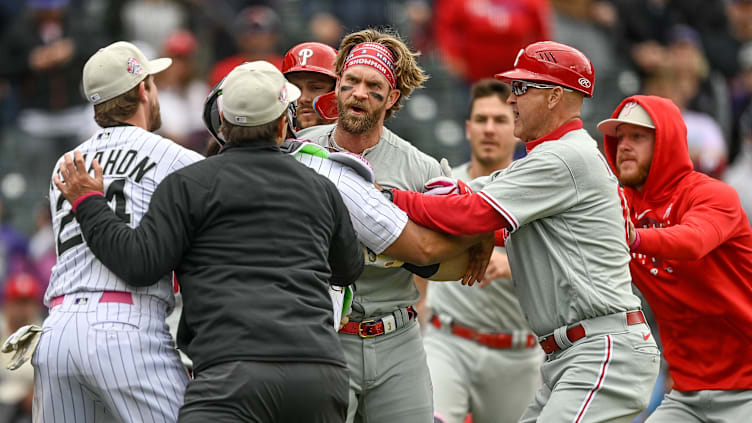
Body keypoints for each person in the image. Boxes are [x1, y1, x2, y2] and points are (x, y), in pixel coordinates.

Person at [54, 61, 365, 422]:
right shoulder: (321, 188)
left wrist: (88, 203)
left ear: (221, 121)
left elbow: (139, 264)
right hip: (318, 375)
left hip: (231, 377)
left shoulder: (188, 184)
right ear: (284, 125)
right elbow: (348, 269)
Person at [384, 41, 661, 422]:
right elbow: (475, 211)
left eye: (521, 88)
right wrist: (482, 232)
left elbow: (467, 213)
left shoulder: (564, 156)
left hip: (600, 348)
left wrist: (385, 196)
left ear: (554, 97)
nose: (511, 99)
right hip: (572, 352)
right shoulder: (553, 155)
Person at [32, 41, 204, 423]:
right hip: (125, 326)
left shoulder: (66, 163)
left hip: (56, 330)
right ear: (143, 89)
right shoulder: (177, 158)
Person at [296, 28, 443, 422]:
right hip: (323, 336)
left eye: (373, 85)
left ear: (392, 97)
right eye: (352, 82)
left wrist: (473, 244)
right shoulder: (299, 150)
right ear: (339, 84)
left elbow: (446, 261)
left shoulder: (421, 168)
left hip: (396, 337)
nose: (359, 92)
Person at [599, 95, 752, 423]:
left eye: (637, 136)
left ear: (666, 142)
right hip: (686, 395)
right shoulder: (616, 206)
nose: (623, 145)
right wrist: (487, 239)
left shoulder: (712, 194)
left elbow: (694, 240)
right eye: (619, 137)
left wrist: (635, 238)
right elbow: (562, 238)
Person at [417, 79, 541, 423]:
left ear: (516, 128)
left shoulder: (537, 193)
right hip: (448, 340)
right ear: (468, 128)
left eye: (500, 120)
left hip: (515, 351)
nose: (489, 129)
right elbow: (418, 250)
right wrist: (421, 304)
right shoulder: (444, 187)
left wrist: (513, 264)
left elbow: (565, 267)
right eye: (481, 120)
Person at [0, 273, 42, 423]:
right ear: (7, 303)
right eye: (17, 302)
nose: (21, 309)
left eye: (26, 303)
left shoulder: (45, 335)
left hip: (32, 406)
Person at [282, 41, 339, 131]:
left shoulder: (358, 140)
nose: (304, 99)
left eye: (316, 88)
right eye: (295, 89)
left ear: (338, 89)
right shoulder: (275, 141)